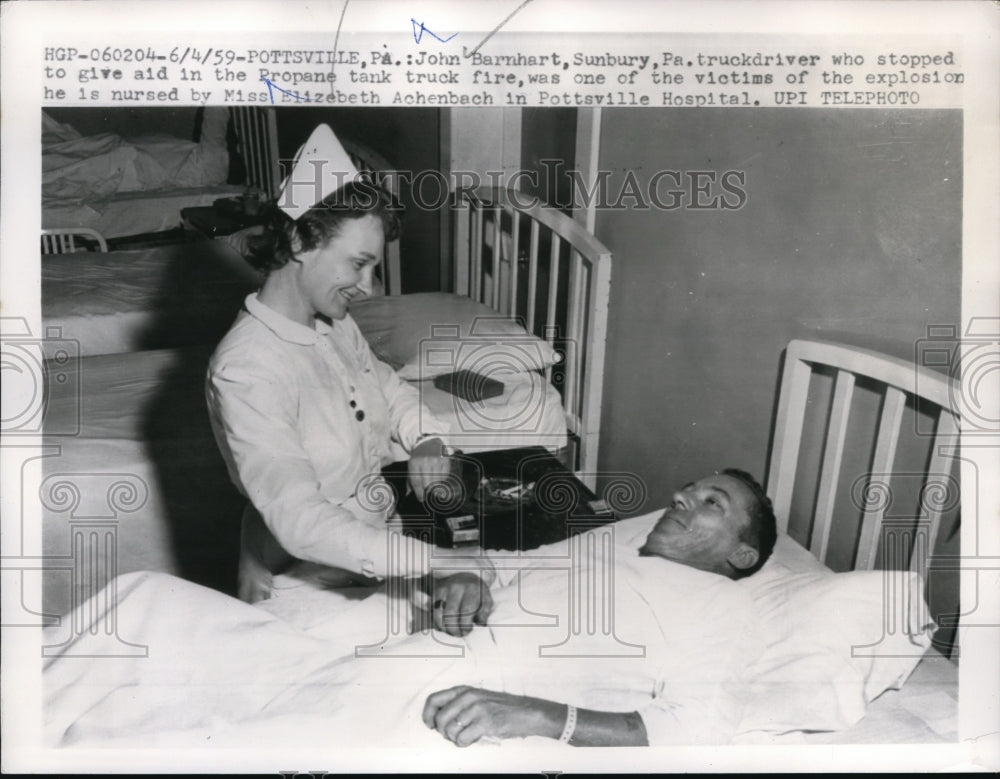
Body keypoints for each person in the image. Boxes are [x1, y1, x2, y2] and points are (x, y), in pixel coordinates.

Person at [205, 124, 493, 627]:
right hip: (303, 579)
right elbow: (301, 520)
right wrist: (437, 561)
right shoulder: (248, 368)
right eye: (358, 264)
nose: (368, 286)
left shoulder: (332, 323)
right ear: (300, 241)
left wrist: (426, 440)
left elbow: (385, 385)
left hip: (376, 550)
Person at [421, 468, 777, 747]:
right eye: (688, 490)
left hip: (470, 718)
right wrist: (467, 575)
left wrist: (535, 715)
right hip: (428, 655)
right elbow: (498, 563)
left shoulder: (723, 603)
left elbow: (694, 730)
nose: (679, 497)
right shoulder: (606, 551)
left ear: (742, 555)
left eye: (713, 503)